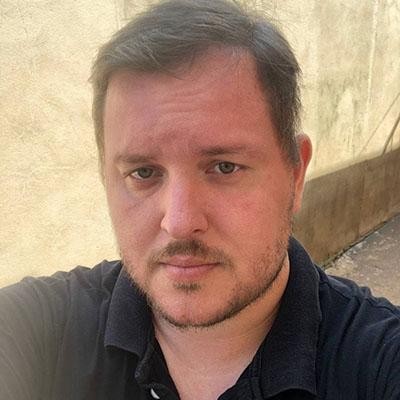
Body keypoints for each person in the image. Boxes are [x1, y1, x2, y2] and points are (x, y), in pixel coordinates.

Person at [1, 0, 399, 399]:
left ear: (295, 175)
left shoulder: (378, 362)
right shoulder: (37, 329)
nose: (179, 221)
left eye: (224, 167)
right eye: (143, 173)